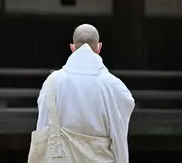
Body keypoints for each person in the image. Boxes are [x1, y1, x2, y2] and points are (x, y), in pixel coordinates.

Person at [28, 24, 135, 163]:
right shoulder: (114, 86)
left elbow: (42, 130)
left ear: (72, 48)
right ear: (99, 48)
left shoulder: (53, 82)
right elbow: (119, 135)